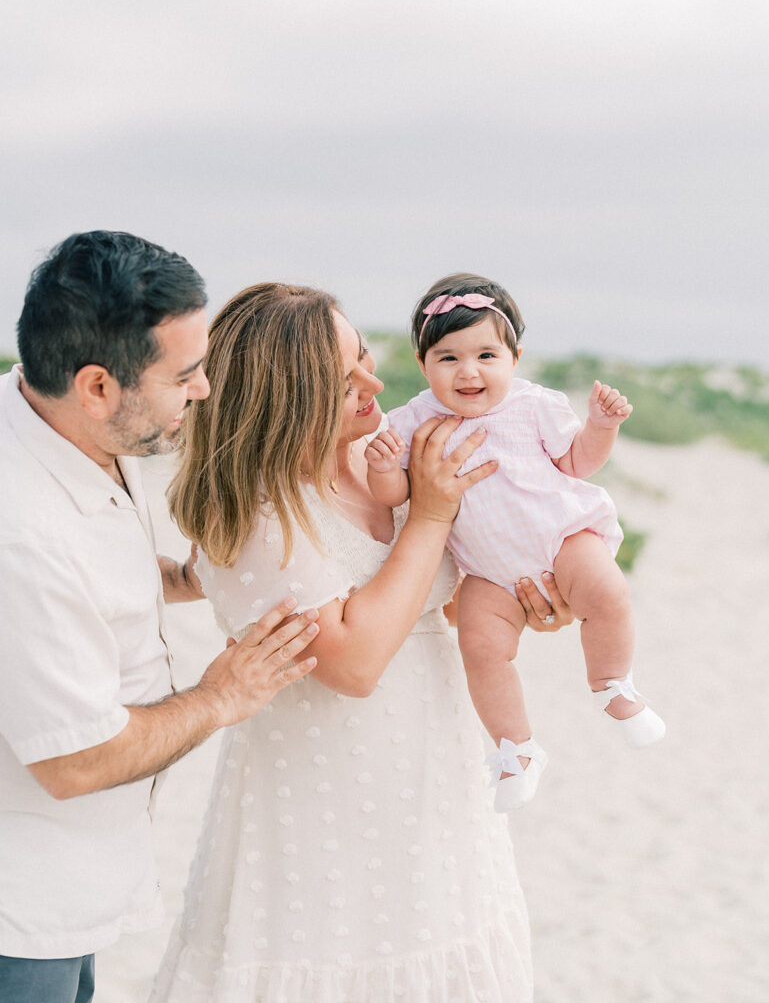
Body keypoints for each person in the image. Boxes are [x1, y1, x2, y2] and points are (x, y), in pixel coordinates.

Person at [151, 282, 571, 1002]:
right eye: (346, 382)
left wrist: (527, 601)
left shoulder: (379, 465)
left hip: (434, 783)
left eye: (367, 359)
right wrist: (432, 514)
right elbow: (354, 662)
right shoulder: (262, 507)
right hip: (329, 805)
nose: (375, 385)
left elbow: (439, 591)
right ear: (290, 400)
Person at [0, 232, 319, 1003]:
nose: (204, 390)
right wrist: (222, 697)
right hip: (20, 909)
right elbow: (73, 761)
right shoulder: (20, 532)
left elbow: (81, 582)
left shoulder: (60, 424)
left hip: (72, 886)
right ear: (99, 386)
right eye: (185, 375)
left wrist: (181, 579)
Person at [366, 272, 665, 813]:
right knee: (481, 651)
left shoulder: (533, 405)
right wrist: (386, 467)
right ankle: (516, 748)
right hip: (484, 571)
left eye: (486, 355)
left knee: (607, 595)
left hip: (561, 537)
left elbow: (577, 462)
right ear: (421, 363)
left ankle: (612, 684)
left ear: (515, 358)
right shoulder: (412, 420)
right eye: (448, 357)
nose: (469, 371)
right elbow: (393, 495)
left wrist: (600, 427)